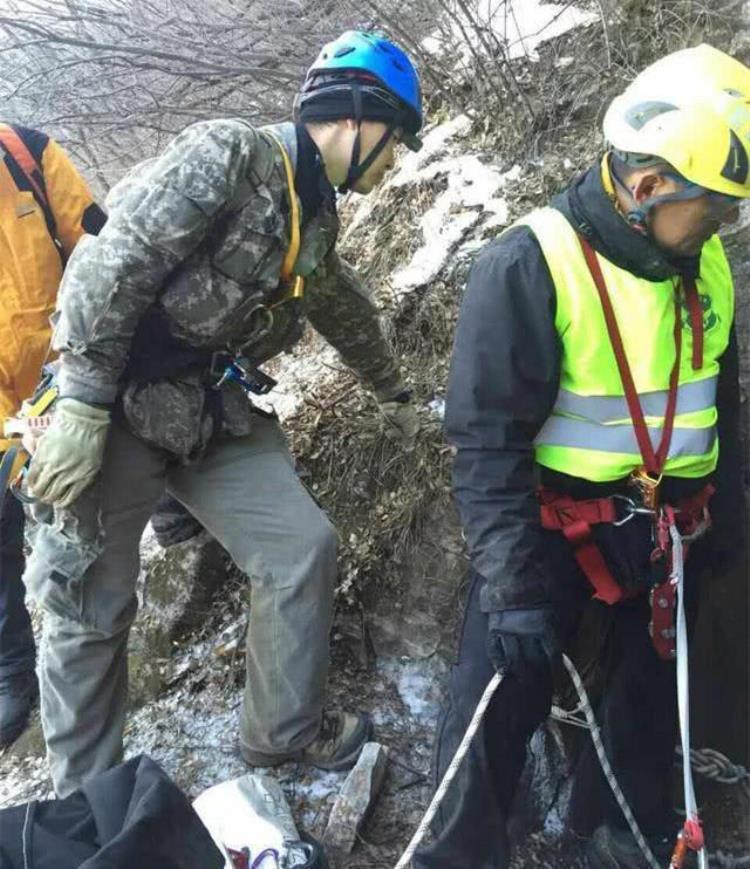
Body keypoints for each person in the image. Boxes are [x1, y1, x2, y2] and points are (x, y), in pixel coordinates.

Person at [23, 30, 423, 797]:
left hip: (209, 408)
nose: (396, 158)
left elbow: (339, 302)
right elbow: (110, 264)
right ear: (352, 118)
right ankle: (89, 803)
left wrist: (393, 389)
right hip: (117, 402)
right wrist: (78, 402)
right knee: (89, 605)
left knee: (300, 546)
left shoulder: (317, 209)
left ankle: (281, 734)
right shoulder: (230, 154)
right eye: (394, 138)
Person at [415, 44, 748, 869]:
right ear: (647, 187)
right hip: (548, 533)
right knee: (495, 704)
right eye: (713, 209)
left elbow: (720, 403)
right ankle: (456, 854)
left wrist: (725, 522)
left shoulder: (701, 263)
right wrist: (514, 588)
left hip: (666, 531)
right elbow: (486, 442)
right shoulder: (531, 265)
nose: (724, 227)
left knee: (639, 713)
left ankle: (613, 842)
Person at [0, 124, 107, 747]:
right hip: (8, 404)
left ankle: (176, 509)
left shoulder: (26, 155)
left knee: (129, 434)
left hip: (76, 359)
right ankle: (14, 671)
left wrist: (84, 364)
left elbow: (101, 248)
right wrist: (15, 430)